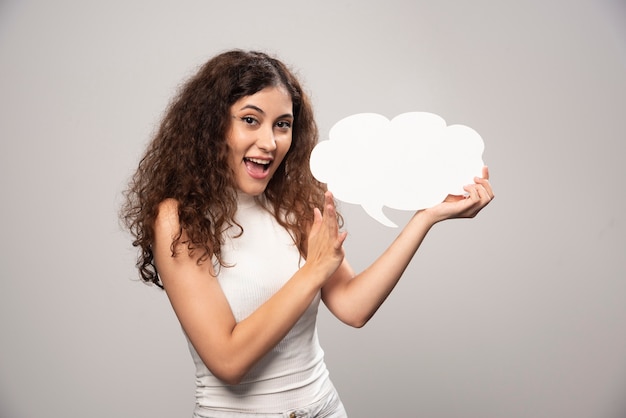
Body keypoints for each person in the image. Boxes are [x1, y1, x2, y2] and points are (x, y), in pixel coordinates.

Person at [121, 49, 494, 418]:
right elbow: (228, 360)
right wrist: (313, 269)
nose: (270, 142)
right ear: (211, 125)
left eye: (282, 124)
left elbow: (353, 306)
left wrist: (425, 217)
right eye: (251, 120)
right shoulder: (179, 217)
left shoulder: (293, 203)